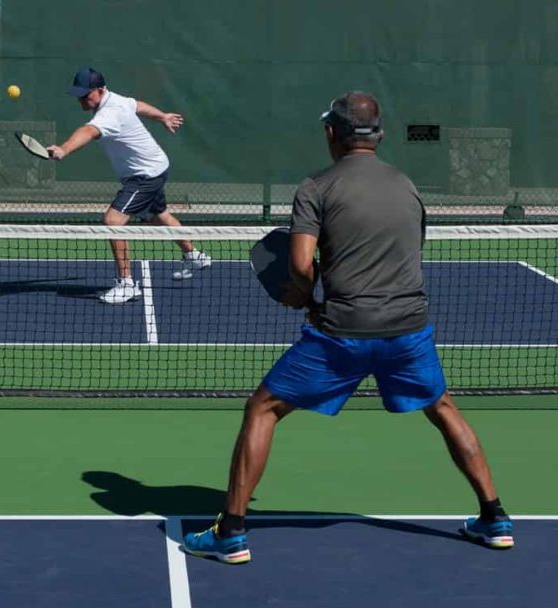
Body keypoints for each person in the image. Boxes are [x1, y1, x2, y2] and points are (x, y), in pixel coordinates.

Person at [183, 92, 514, 564]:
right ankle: (494, 517)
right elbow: (408, 254)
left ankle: (231, 532)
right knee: (442, 406)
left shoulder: (316, 188)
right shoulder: (406, 186)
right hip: (408, 329)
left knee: (262, 409)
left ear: (331, 134)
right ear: (377, 135)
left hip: (343, 331)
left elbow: (299, 266)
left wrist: (309, 297)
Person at [46, 67, 211, 304]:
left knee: (113, 221)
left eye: (86, 94)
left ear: (100, 90)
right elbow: (138, 105)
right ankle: (193, 254)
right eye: (79, 95)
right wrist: (162, 116)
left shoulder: (108, 114)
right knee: (158, 215)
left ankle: (126, 284)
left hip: (144, 175)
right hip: (155, 166)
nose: (81, 99)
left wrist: (64, 149)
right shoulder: (117, 100)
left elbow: (88, 131)